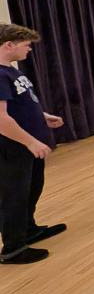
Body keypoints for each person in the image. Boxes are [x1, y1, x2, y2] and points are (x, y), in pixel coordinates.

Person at [0, 24, 64, 266]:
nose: (29, 50)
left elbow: (20, 105)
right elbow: (1, 118)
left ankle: (29, 229)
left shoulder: (12, 72)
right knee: (13, 195)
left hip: (26, 145)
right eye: (26, 45)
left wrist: (43, 116)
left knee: (31, 188)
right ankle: (13, 248)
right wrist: (30, 141)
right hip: (13, 146)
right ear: (9, 44)